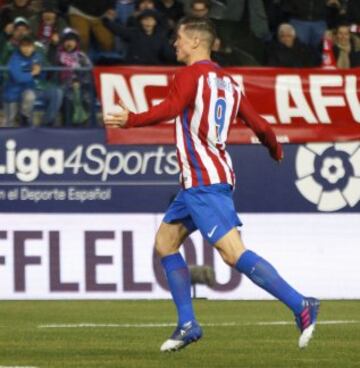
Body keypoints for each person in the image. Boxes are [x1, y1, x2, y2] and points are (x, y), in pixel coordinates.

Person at [104, 16, 320, 352]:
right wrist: (275, 149)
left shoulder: (190, 75)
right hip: (201, 181)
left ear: (194, 41)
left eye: (178, 38)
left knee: (233, 254)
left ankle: (301, 304)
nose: (174, 44)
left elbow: (172, 108)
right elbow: (260, 125)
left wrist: (131, 120)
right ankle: (187, 324)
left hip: (204, 182)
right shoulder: (229, 83)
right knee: (165, 242)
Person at [3, 34, 63, 126]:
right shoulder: (14, 58)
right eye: (23, 46)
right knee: (9, 125)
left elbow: (45, 75)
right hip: (16, 92)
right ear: (19, 47)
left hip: (35, 88)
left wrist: (41, 69)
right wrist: (33, 73)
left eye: (29, 45)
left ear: (33, 47)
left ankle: (45, 123)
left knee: (57, 92)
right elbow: (18, 77)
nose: (26, 48)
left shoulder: (38, 56)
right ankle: (24, 119)